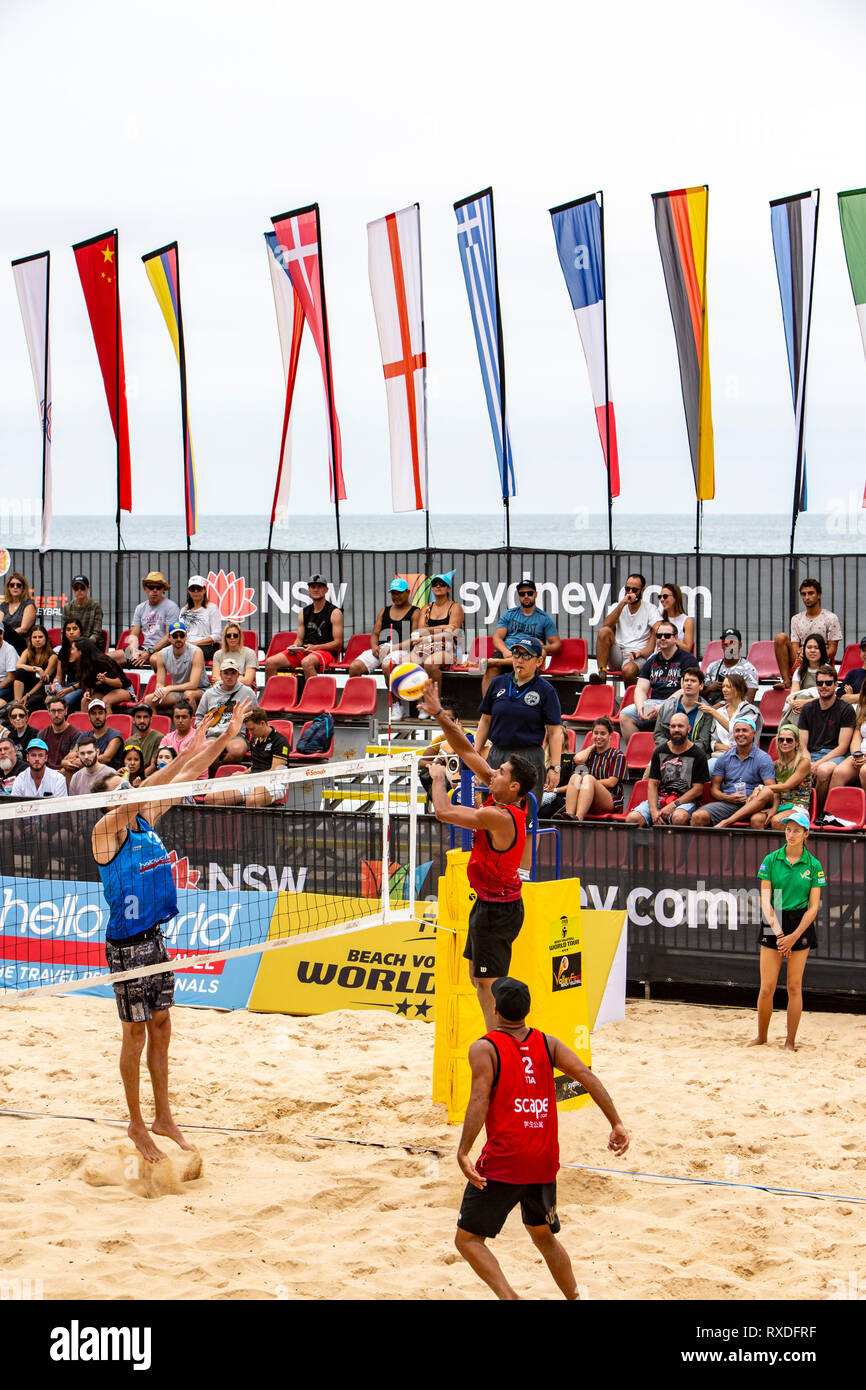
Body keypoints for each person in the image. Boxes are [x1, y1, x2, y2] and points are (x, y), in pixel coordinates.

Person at [91, 704, 246, 1162]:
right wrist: (185, 752)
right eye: (121, 788)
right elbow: (156, 783)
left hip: (156, 940)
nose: (131, 790)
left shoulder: (143, 819)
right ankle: (137, 1124)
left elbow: (190, 774)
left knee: (162, 1027)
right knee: (134, 1036)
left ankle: (163, 1116)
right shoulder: (105, 830)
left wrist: (218, 739)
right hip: (127, 946)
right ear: (107, 800)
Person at [455, 975, 628, 1301]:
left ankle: (511, 1298)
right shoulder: (547, 1043)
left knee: (467, 1240)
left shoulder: (484, 1048)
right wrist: (616, 1123)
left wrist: (464, 1151)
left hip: (506, 1162)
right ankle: (576, 1298)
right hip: (544, 1161)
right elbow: (587, 1077)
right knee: (543, 1236)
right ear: (527, 1010)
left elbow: (479, 1100)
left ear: (494, 1008)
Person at [421, 680, 536, 1029]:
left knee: (489, 982)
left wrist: (438, 779)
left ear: (513, 786)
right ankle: (497, 1032)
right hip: (489, 904)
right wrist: (440, 714)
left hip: (498, 911)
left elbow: (444, 813)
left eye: (500, 772)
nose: (493, 772)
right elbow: (468, 751)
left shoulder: (498, 815)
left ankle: (500, 1036)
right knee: (478, 979)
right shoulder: (501, 796)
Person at [752, 808, 824, 1051]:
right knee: (766, 987)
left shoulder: (814, 865)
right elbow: (765, 901)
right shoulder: (771, 860)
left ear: (806, 834)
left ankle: (790, 1041)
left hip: (800, 923)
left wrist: (793, 936)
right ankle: (762, 1036)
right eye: (787, 829)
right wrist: (780, 934)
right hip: (775, 920)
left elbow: (813, 908)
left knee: (794, 986)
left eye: (796, 830)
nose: (790, 834)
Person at [474, 634, 563, 807]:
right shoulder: (498, 683)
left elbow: (554, 732)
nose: (520, 660)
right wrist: (475, 756)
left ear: (538, 662)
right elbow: (485, 721)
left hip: (528, 758)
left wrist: (555, 767)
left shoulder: (546, 690)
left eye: (526, 655)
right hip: (497, 754)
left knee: (526, 817)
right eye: (516, 654)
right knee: (491, 811)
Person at [715, 723, 812, 830]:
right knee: (756, 819)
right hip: (779, 805)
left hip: (797, 805)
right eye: (781, 740)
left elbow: (786, 786)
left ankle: (727, 821)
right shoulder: (775, 764)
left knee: (776, 819)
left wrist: (760, 788)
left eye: (789, 740)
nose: (784, 743)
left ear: (797, 742)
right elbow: (775, 792)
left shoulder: (804, 762)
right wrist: (774, 808)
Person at [618, 623, 701, 741]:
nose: (662, 638)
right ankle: (637, 753)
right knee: (626, 714)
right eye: (659, 635)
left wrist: (661, 707)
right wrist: (641, 706)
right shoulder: (652, 660)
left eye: (667, 635)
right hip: (653, 703)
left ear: (675, 638)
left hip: (678, 704)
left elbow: (685, 690)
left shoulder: (687, 659)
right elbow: (640, 688)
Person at [625, 711, 710, 826]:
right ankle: (648, 844)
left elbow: (697, 790)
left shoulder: (698, 754)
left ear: (688, 729)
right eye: (673, 726)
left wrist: (673, 805)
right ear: (669, 728)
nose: (676, 730)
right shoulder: (660, 751)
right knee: (632, 819)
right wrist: (654, 811)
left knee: (679, 818)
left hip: (686, 802)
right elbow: (652, 784)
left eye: (680, 726)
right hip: (661, 798)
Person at [691, 715, 775, 827]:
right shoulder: (724, 757)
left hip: (755, 805)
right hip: (729, 803)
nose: (740, 734)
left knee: (758, 818)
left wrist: (757, 792)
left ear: (754, 734)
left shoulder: (763, 758)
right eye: (737, 731)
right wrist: (727, 798)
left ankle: (726, 822)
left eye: (744, 730)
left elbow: (771, 789)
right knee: (698, 816)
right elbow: (714, 789)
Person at [482, 579, 561, 696]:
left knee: (537, 655)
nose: (526, 596)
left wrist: (544, 647)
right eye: (522, 593)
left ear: (536, 594)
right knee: (491, 669)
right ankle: (487, 710)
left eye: (529, 593)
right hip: (508, 651)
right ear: (518, 596)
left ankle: (495, 662)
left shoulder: (544, 618)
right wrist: (505, 651)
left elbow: (557, 645)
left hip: (528, 652)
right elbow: (497, 638)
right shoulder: (509, 614)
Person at [798, 664, 856, 814]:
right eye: (820, 683)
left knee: (823, 771)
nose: (824, 686)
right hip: (811, 754)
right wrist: (808, 763)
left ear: (836, 685)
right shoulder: (808, 709)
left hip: (836, 756)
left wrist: (817, 764)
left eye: (828, 683)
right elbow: (803, 746)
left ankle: (819, 813)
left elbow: (842, 747)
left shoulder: (846, 709)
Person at [263, 574, 343, 680]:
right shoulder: (303, 612)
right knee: (270, 662)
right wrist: (295, 647)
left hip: (325, 652)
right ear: (309, 590)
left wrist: (316, 647)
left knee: (307, 662)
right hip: (305, 651)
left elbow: (338, 644)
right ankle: (272, 696)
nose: (316, 589)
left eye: (319, 587)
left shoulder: (335, 612)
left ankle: (313, 696)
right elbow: (299, 639)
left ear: (326, 590)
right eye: (312, 587)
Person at [210, 707, 291, 809]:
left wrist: (248, 778)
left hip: (274, 782)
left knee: (252, 801)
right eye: (248, 729)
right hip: (253, 780)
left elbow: (274, 771)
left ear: (262, 723)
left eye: (252, 729)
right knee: (212, 798)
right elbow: (255, 766)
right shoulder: (254, 740)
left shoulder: (280, 742)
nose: (250, 732)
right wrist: (243, 774)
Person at [347, 578, 420, 682]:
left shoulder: (415, 612)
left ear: (408, 592)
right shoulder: (384, 611)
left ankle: (395, 699)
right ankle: (361, 697)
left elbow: (414, 640)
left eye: (399, 593)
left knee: (387, 666)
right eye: (393, 593)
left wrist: (392, 649)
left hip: (402, 650)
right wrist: (374, 647)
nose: (396, 596)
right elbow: (375, 634)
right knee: (354, 667)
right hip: (382, 649)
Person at [774, 578, 842, 688]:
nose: (807, 597)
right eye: (803, 594)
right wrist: (803, 655)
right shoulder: (796, 619)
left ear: (819, 595)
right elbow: (795, 645)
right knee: (780, 637)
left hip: (822, 660)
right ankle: (786, 682)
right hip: (800, 659)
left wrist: (813, 655)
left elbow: (832, 650)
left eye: (811, 593)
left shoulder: (831, 618)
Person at [594, 573, 660, 685]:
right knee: (603, 631)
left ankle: (633, 698)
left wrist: (641, 652)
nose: (630, 592)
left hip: (637, 654)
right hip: (618, 652)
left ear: (642, 590)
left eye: (634, 590)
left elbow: (658, 627)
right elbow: (607, 624)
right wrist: (623, 603)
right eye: (627, 588)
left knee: (628, 671)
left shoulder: (650, 609)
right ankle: (602, 674)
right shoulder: (618, 606)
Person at [555, 717, 626, 821]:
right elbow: (577, 759)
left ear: (610, 735)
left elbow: (611, 782)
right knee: (575, 777)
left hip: (610, 800)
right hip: (587, 799)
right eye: (596, 733)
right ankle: (569, 815)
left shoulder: (618, 755)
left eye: (603, 733)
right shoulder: (589, 754)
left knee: (587, 778)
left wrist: (589, 782)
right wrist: (591, 747)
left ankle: (578, 817)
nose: (598, 736)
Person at [194, 656, 257, 762]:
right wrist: (204, 729)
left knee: (237, 751)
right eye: (226, 673)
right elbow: (199, 717)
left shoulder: (247, 692)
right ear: (221, 675)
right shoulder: (209, 693)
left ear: (238, 675)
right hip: (213, 734)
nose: (229, 676)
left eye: (233, 673)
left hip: (235, 734)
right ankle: (216, 773)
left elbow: (256, 716)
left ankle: (221, 770)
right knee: (208, 750)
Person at [112, 572, 180, 669]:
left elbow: (169, 637)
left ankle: (160, 683)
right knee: (106, 658)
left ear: (163, 589)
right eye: (151, 587)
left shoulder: (171, 607)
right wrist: (134, 650)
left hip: (163, 650)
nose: (155, 590)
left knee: (155, 660)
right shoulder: (140, 608)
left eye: (158, 587)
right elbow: (134, 634)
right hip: (143, 649)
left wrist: (149, 652)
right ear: (145, 588)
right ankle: (118, 683)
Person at [409, 575, 465, 692]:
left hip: (448, 649)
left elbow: (451, 633)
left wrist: (429, 634)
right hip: (426, 647)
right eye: (435, 584)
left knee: (430, 663)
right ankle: (421, 704)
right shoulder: (426, 608)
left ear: (448, 588)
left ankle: (434, 705)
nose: (438, 586)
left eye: (442, 584)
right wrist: (445, 626)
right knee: (405, 662)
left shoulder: (455, 607)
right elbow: (420, 631)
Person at [703, 672, 762, 772]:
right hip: (719, 756)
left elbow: (737, 730)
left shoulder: (750, 711)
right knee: (705, 770)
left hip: (743, 757)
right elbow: (713, 739)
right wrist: (717, 745)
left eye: (729, 687)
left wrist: (713, 712)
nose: (724, 690)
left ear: (739, 689)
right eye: (723, 686)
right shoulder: (720, 712)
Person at [652, 666, 715, 756]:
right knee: (651, 765)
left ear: (701, 686)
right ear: (682, 684)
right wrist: (672, 748)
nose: (689, 684)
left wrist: (685, 750)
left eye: (693, 681)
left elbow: (703, 742)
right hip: (668, 751)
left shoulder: (707, 711)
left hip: (694, 755)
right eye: (686, 680)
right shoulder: (667, 706)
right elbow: (658, 735)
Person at [145, 623, 207, 712]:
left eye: (181, 635)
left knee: (188, 695)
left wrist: (169, 688)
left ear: (185, 637)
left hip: (200, 691)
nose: (179, 639)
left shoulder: (196, 652)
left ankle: (193, 725)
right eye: (175, 636)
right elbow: (160, 683)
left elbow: (193, 684)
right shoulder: (162, 654)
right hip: (178, 692)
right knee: (149, 700)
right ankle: (156, 725)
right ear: (169, 638)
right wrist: (159, 691)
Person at [74, 636, 135, 714]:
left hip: (124, 690)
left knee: (105, 702)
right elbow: (88, 684)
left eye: (73, 649)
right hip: (104, 691)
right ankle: (86, 726)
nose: (71, 651)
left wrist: (105, 680)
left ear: (81, 651)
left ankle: (108, 725)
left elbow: (119, 683)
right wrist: (88, 692)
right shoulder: (83, 664)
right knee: (85, 701)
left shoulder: (101, 662)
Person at [702, 628, 759, 705]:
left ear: (740, 645)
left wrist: (723, 704)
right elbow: (700, 696)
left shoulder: (749, 670)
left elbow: (748, 703)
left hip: (735, 713)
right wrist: (710, 688)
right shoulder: (712, 666)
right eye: (725, 643)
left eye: (732, 643)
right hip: (709, 709)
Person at [783, 633, 831, 723]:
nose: (812, 651)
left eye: (816, 648)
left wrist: (805, 702)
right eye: (809, 648)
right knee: (797, 701)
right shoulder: (799, 671)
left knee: (802, 698)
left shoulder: (828, 670)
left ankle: (791, 732)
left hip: (821, 707)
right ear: (804, 650)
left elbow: (828, 696)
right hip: (800, 705)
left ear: (822, 650)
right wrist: (793, 702)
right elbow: (794, 693)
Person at [828, 686, 866, 795]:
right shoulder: (863, 709)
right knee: (839, 772)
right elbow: (856, 737)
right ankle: (830, 811)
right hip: (861, 755)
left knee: (865, 771)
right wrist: (856, 755)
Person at [13, 623, 58, 709]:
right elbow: (18, 666)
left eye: (40, 637)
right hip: (28, 685)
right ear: (30, 639)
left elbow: (42, 681)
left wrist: (28, 694)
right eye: (34, 637)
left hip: (42, 689)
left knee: (29, 703)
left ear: (46, 639)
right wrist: (36, 669)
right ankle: (17, 704)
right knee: (20, 672)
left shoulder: (53, 656)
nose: (37, 640)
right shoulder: (27, 651)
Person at [179, 576, 222, 661]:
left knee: (190, 653)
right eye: (192, 589)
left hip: (207, 646)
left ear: (204, 590)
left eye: (199, 588)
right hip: (186, 645)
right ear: (188, 591)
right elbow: (180, 631)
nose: (196, 591)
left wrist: (194, 644)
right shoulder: (184, 610)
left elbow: (217, 636)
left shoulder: (212, 608)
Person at [48, 618, 84, 710]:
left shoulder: (86, 649)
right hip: (67, 686)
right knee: (49, 701)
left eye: (74, 629)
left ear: (81, 631)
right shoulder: (63, 651)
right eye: (68, 630)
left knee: (64, 701)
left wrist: (68, 690)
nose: (71, 632)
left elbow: (88, 679)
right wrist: (53, 689)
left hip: (81, 686)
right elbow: (59, 676)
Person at [649, 581, 694, 655]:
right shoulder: (658, 620)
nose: (662, 599)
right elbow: (652, 647)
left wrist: (670, 638)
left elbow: (687, 649)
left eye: (665, 596)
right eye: (660, 597)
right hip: (658, 658)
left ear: (675, 597)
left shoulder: (687, 621)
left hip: (678, 659)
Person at [0, 572, 37, 656]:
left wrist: (4, 636)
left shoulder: (28, 604)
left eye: (18, 585)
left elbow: (24, 629)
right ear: (8, 587)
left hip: (22, 643)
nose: (15, 587)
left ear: (23, 588)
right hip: (4, 641)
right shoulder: (4, 605)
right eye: (12, 585)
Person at [212, 622, 258, 689]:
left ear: (240, 637)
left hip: (241, 689)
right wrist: (241, 678)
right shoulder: (218, 654)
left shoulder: (250, 653)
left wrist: (222, 680)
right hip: (222, 689)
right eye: (229, 635)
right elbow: (215, 678)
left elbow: (248, 681)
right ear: (225, 638)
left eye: (235, 635)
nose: (232, 638)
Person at [61, 575, 104, 645]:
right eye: (76, 588)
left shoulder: (95, 607)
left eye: (82, 588)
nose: (79, 591)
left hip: (90, 645)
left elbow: (96, 634)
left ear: (88, 588)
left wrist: (84, 644)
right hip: (71, 644)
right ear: (72, 589)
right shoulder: (67, 607)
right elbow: (64, 631)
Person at [43, 696, 79, 771]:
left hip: (65, 772)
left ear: (66, 711)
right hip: (46, 773)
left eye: (60, 711)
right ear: (48, 712)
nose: (56, 715)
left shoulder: (75, 734)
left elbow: (71, 761)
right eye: (53, 711)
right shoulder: (43, 734)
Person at [128, 704, 162, 778]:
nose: (142, 721)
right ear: (133, 720)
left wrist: (139, 779)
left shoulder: (158, 737)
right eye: (138, 717)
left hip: (150, 779)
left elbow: (153, 766)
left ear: (151, 719)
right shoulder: (129, 741)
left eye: (145, 717)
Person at [0, 624, 21, 712]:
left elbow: (10, 678)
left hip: (6, 685)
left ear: (3, 634)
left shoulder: (9, 649)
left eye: (0, 633)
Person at [839, 636, 866, 704]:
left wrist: (851, 697)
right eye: (864, 650)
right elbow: (841, 697)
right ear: (860, 653)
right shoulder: (852, 674)